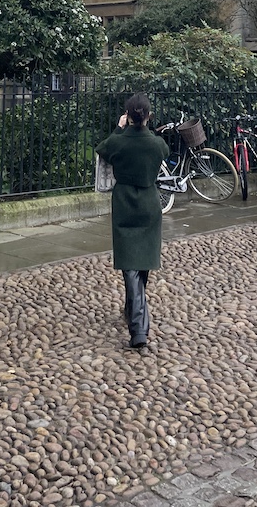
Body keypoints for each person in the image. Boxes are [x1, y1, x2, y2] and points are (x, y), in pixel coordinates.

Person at [96, 93, 169, 349]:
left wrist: (119, 127)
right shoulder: (157, 144)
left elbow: (103, 148)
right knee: (142, 262)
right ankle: (132, 312)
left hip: (125, 202)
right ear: (148, 116)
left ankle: (138, 328)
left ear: (128, 116)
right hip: (149, 202)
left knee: (130, 264)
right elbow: (164, 151)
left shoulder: (119, 142)